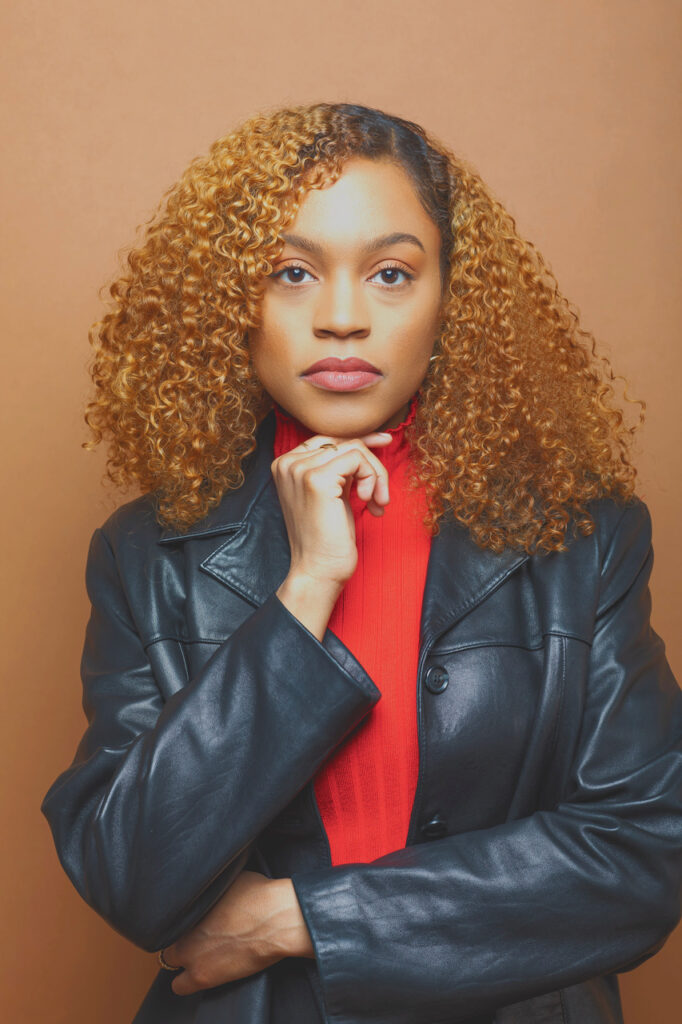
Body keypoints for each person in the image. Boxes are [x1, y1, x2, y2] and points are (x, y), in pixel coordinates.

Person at [41, 102, 682, 1024]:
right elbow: (134, 876)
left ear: (450, 300)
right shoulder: (148, 555)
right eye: (292, 273)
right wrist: (305, 590)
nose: (341, 318)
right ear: (234, 303)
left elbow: (643, 856)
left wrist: (299, 918)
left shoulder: (584, 539)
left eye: (390, 273)